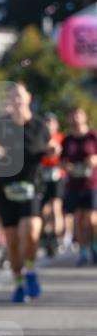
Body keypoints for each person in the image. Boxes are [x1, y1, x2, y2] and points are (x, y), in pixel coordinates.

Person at [0, 82, 50, 303]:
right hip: (5, 189)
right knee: (11, 241)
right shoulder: (0, 125)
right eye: (12, 97)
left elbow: (51, 150)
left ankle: (30, 270)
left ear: (28, 97)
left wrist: (53, 152)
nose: (16, 101)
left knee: (30, 232)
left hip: (32, 187)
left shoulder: (39, 126)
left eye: (20, 96)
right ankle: (18, 282)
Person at [60, 106, 97, 266]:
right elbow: (62, 159)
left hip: (91, 183)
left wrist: (94, 160)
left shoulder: (92, 136)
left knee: (92, 219)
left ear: (84, 117)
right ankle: (83, 251)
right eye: (73, 115)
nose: (76, 118)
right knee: (78, 219)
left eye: (78, 115)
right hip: (73, 184)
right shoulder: (68, 139)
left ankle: (95, 246)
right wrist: (66, 166)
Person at [39, 112, 65, 257]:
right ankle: (47, 236)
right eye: (46, 122)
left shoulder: (61, 138)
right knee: (44, 210)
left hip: (57, 175)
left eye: (51, 122)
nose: (48, 125)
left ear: (56, 124)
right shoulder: (40, 138)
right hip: (42, 176)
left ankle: (57, 237)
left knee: (56, 207)